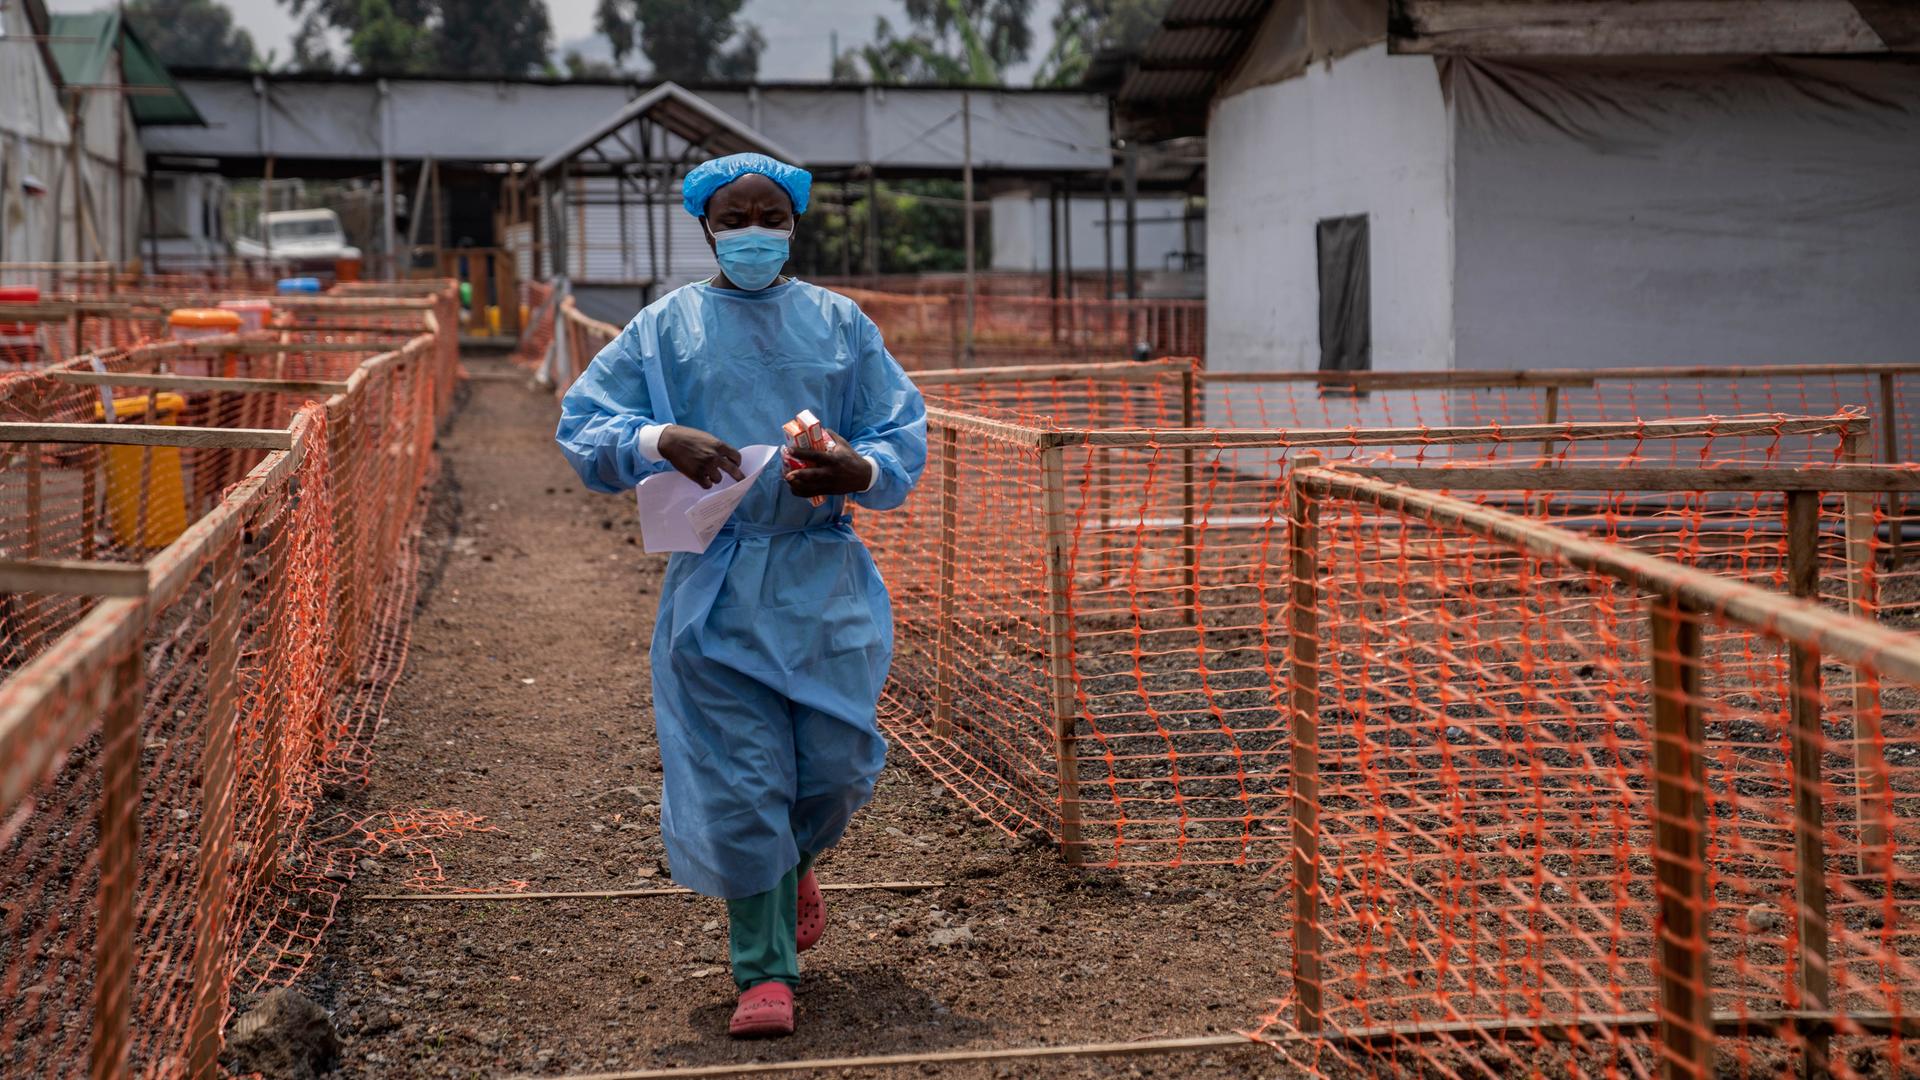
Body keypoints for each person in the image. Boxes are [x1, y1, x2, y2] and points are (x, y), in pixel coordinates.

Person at [554, 152, 927, 1039]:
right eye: (734, 217)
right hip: (716, 586)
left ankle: (794, 861)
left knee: (834, 765)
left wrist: (856, 467)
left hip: (822, 579)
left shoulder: (840, 325)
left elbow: (896, 431)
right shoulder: (665, 329)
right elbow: (583, 424)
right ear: (706, 227)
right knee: (742, 777)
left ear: (793, 225)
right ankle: (764, 972)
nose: (753, 231)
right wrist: (656, 438)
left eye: (770, 216)